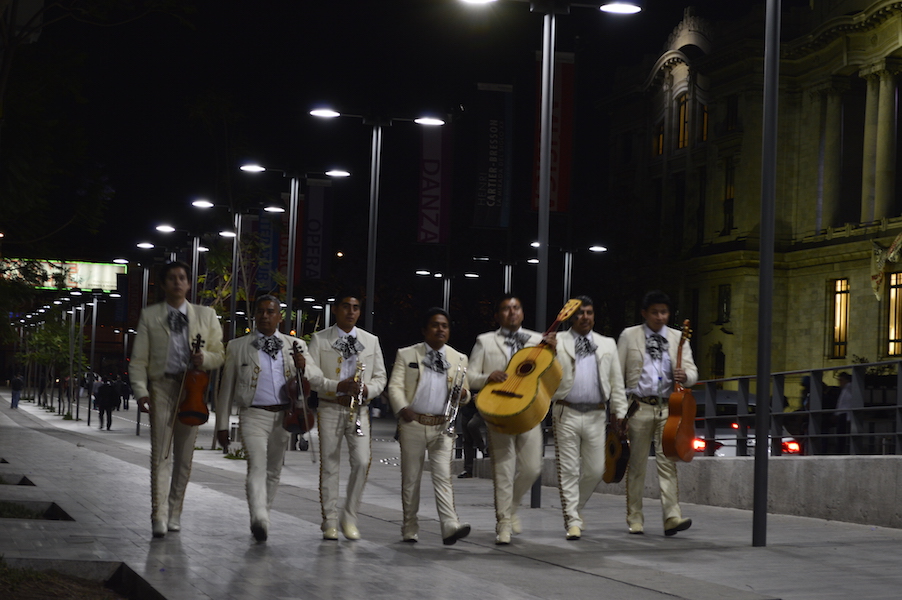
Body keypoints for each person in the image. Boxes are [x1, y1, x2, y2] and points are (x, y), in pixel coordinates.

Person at [128, 260, 225, 538]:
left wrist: (203, 358)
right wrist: (141, 391)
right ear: (163, 284)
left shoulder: (206, 315)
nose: (178, 282)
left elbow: (220, 354)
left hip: (192, 389)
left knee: (184, 457)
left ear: (189, 283)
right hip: (162, 386)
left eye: (182, 277)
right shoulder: (150, 315)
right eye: (172, 278)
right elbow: (138, 360)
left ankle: (174, 512)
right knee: (161, 453)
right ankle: (157, 513)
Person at [215, 295, 322, 542]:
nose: (265, 315)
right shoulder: (237, 346)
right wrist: (222, 425)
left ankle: (265, 514)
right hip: (253, 414)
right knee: (257, 465)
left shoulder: (295, 345)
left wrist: (303, 364)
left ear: (279, 317)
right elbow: (225, 390)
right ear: (255, 316)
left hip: (285, 415)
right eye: (261, 311)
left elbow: (315, 378)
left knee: (274, 470)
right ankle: (259, 516)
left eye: (270, 311)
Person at [467, 294, 555, 545]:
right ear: (497, 315)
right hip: (499, 412)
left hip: (529, 412)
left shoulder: (539, 340)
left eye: (516, 308)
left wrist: (554, 352)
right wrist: (487, 377)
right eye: (505, 309)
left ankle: (512, 507)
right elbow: (470, 376)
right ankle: (503, 523)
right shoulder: (485, 341)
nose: (511, 312)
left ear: (523, 313)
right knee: (503, 470)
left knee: (532, 468)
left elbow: (552, 374)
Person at [387, 307, 472, 545]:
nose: (440, 329)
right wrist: (402, 408)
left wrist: (464, 394)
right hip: (413, 423)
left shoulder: (459, 358)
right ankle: (409, 527)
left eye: (444, 326)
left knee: (444, 476)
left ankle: (449, 526)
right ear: (425, 330)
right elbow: (394, 386)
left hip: (442, 425)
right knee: (411, 478)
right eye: (435, 325)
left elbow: (466, 395)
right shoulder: (407, 354)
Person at [306, 294, 387, 541]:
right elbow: (311, 375)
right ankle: (329, 520)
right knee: (330, 465)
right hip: (331, 406)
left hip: (360, 409)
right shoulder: (320, 339)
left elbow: (381, 377)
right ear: (335, 309)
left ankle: (349, 517)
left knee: (362, 462)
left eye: (355, 308)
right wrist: (336, 385)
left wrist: (368, 390)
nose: (351, 312)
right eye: (346, 307)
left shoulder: (370, 341)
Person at [617, 290, 697, 536]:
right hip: (639, 406)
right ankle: (635, 517)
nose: (660, 317)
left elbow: (692, 370)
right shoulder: (630, 336)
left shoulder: (678, 337)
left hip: (668, 408)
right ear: (644, 313)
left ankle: (672, 516)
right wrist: (618, 412)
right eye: (655, 312)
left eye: (664, 312)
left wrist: (688, 377)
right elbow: (616, 376)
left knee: (668, 463)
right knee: (637, 465)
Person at [551, 296, 628, 540]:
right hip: (566, 411)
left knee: (596, 470)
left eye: (589, 312)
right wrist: (546, 350)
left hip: (596, 413)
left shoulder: (607, 344)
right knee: (569, 470)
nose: (585, 316)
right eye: (580, 312)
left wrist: (620, 413)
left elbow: (616, 381)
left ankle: (574, 509)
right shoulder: (557, 341)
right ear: (571, 317)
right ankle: (572, 520)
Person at [835, 372, 853, 454]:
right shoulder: (845, 389)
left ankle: (841, 451)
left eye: (841, 380)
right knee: (841, 436)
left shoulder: (849, 388)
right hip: (843, 415)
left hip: (845, 415)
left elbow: (847, 403)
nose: (839, 383)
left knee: (842, 436)